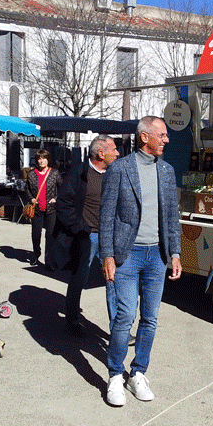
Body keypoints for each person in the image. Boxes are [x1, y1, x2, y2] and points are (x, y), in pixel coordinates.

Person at [100, 116, 182, 407]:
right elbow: (106, 215)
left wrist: (175, 253)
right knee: (124, 317)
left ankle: (138, 373)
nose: (166, 139)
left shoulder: (168, 171)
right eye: (162, 134)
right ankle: (114, 377)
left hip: (157, 256)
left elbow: (172, 216)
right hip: (127, 255)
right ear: (145, 137)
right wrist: (107, 255)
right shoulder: (120, 169)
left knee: (150, 319)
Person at [55, 135, 120, 337]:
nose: (117, 153)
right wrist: (79, 228)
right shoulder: (79, 172)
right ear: (101, 154)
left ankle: (118, 329)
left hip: (109, 236)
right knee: (79, 278)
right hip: (86, 236)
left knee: (113, 280)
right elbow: (64, 204)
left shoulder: (115, 173)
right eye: (114, 149)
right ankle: (72, 319)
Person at [25, 149, 62, 269]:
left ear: (48, 159)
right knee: (36, 234)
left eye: (44, 158)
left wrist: (56, 198)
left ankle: (49, 260)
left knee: (50, 235)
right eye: (39, 158)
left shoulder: (55, 173)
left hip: (51, 209)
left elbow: (63, 188)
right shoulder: (31, 174)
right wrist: (31, 199)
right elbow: (27, 190)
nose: (41, 161)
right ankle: (36, 254)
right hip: (36, 209)